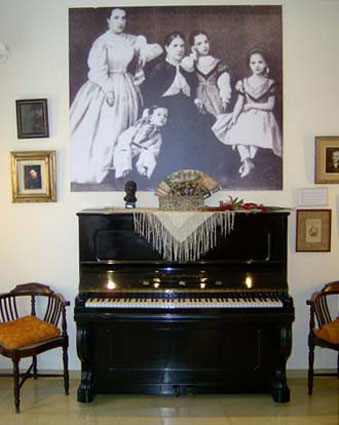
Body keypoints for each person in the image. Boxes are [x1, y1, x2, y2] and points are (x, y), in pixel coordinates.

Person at [70, 8, 162, 185]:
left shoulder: (131, 39)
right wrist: (108, 90)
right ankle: (106, 168)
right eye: (116, 18)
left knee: (127, 129)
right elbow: (97, 70)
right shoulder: (102, 42)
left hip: (126, 86)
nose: (121, 22)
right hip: (105, 86)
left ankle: (122, 168)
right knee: (108, 127)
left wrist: (142, 49)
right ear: (108, 20)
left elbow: (155, 49)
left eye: (123, 18)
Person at [144, 31, 213, 183]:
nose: (180, 49)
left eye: (182, 46)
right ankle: (170, 174)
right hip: (167, 108)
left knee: (205, 123)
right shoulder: (160, 68)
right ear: (167, 48)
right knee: (179, 129)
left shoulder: (186, 68)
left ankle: (194, 174)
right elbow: (152, 94)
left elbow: (193, 89)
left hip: (186, 106)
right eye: (175, 46)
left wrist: (196, 100)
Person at [212, 48, 282, 178]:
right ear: (249, 64)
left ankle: (249, 162)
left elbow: (270, 106)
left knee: (253, 134)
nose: (257, 66)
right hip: (246, 114)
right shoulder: (244, 82)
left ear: (266, 64)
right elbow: (240, 102)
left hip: (263, 115)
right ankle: (247, 161)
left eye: (260, 62)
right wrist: (234, 117)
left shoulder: (270, 83)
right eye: (253, 63)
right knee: (237, 130)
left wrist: (250, 105)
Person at [181, 30, 231, 117]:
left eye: (206, 42)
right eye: (199, 44)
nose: (204, 46)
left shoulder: (218, 63)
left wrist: (225, 100)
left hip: (214, 98)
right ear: (193, 47)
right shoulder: (191, 62)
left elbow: (224, 84)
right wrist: (193, 55)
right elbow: (186, 67)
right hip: (197, 97)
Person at [113, 105, 168, 179]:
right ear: (150, 117)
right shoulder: (137, 128)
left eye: (165, 116)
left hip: (141, 152)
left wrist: (148, 152)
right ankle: (122, 175)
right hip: (129, 149)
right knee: (124, 153)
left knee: (150, 156)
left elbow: (155, 149)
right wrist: (129, 148)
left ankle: (144, 175)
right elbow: (124, 139)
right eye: (159, 115)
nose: (162, 118)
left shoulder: (158, 136)